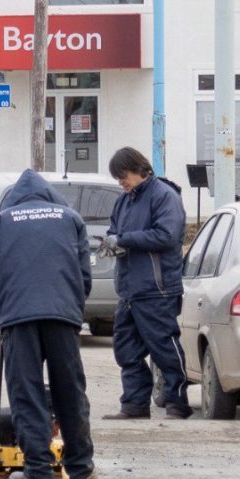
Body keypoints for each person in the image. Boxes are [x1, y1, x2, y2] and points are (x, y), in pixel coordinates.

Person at [0, 169, 96, 479]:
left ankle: (38, 469)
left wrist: (4, 312)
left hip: (19, 316)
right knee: (70, 390)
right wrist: (73, 309)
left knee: (26, 391)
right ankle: (80, 467)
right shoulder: (71, 218)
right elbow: (83, 273)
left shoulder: (3, 221)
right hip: (62, 315)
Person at [99, 147, 192, 420]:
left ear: (139, 169)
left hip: (157, 288)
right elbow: (115, 232)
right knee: (126, 349)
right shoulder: (124, 200)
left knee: (163, 346)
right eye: (117, 178)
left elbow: (167, 235)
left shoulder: (164, 196)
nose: (121, 182)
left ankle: (178, 402)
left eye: (123, 176)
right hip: (130, 289)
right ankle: (134, 404)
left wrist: (124, 240)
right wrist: (111, 243)